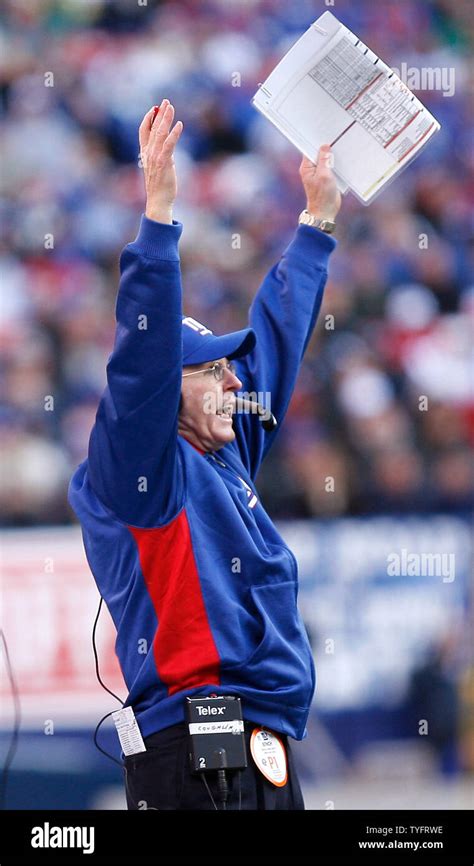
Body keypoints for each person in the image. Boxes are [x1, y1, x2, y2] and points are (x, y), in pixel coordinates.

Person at [69, 98, 341, 810]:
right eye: (211, 370)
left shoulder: (222, 452)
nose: (232, 381)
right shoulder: (141, 474)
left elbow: (275, 346)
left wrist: (316, 223)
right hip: (194, 744)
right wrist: (157, 219)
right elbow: (139, 367)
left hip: (261, 739)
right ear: (166, 393)